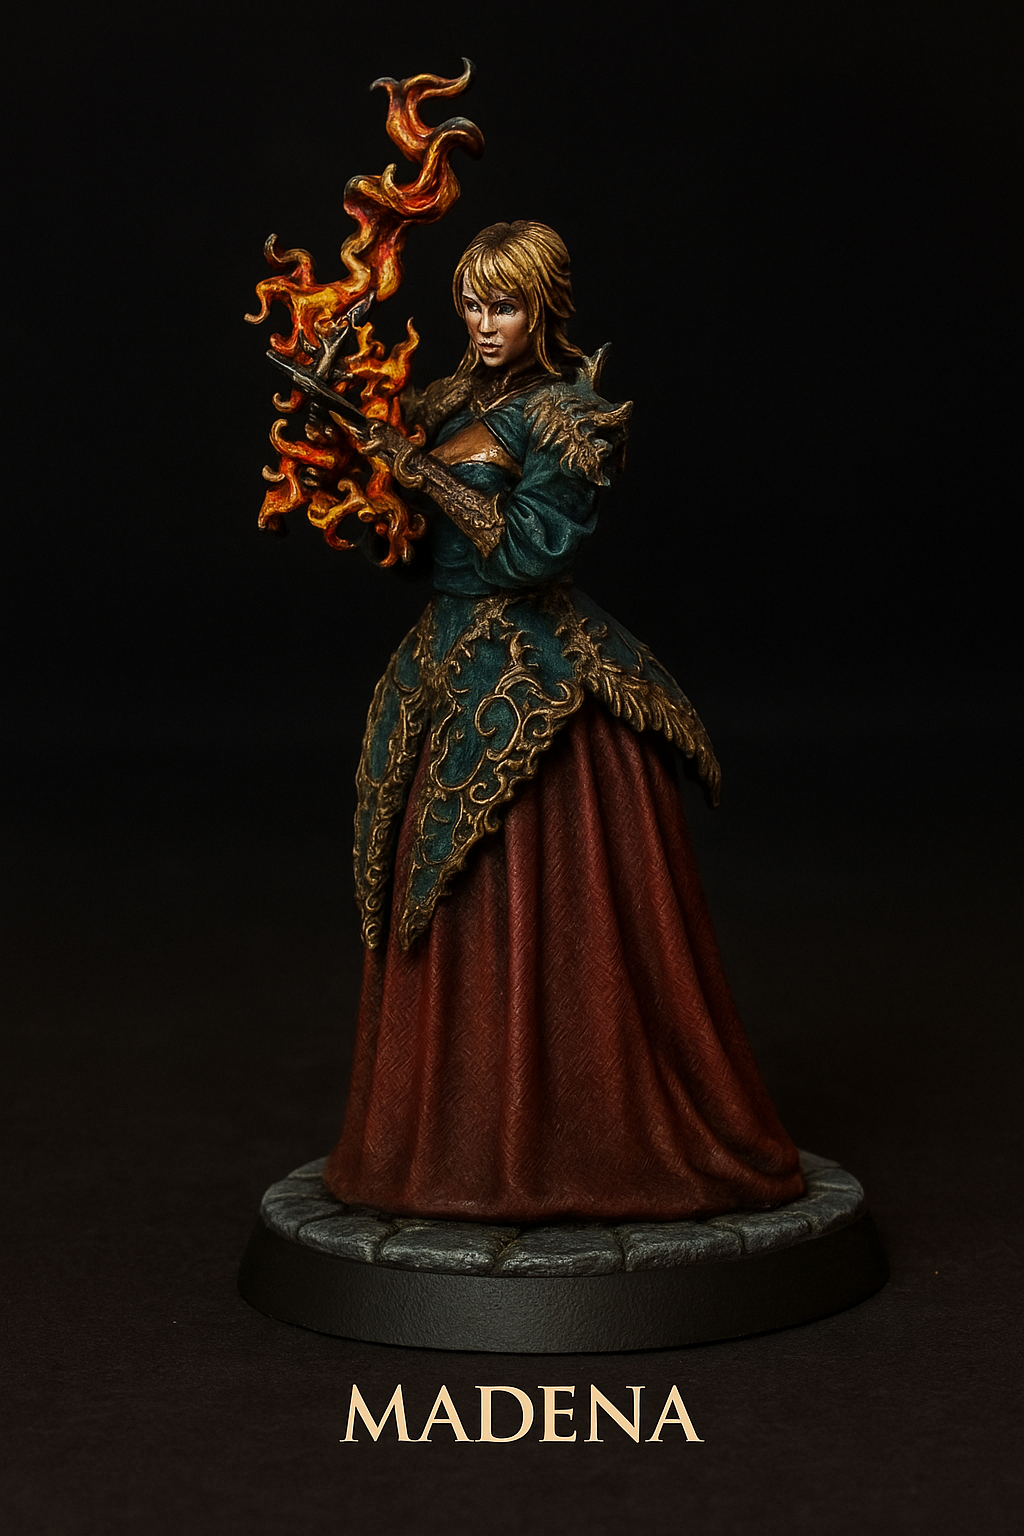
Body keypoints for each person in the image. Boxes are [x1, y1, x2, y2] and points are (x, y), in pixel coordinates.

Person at [322, 220, 805, 1223]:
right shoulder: (445, 399)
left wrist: (424, 475)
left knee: (545, 894)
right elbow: (410, 548)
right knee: (418, 891)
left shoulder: (570, 415)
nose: (483, 323)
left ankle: (573, 1135)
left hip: (533, 673)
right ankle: (448, 1140)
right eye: (471, 303)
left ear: (541, 307)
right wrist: (371, 479)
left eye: (504, 305)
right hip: (442, 659)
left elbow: (535, 548)